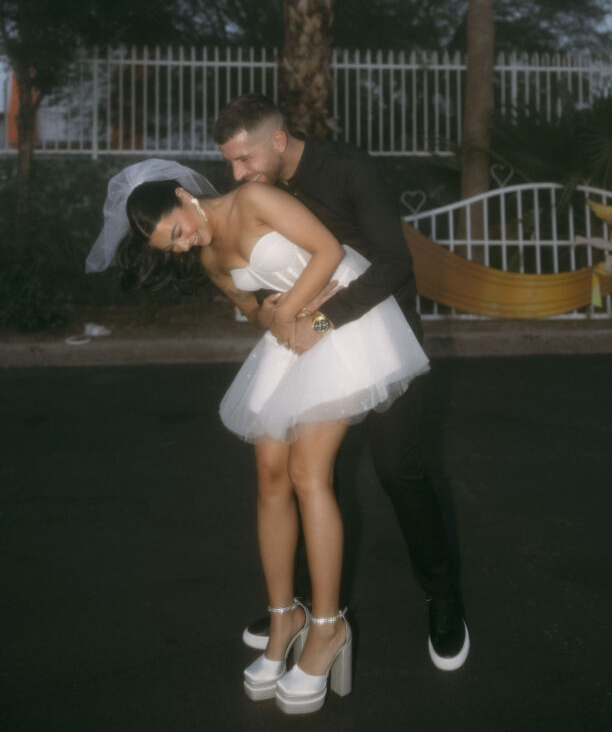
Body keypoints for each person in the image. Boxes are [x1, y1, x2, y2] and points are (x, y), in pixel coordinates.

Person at [86, 157, 429, 715]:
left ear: (183, 195)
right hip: (294, 333)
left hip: (340, 319)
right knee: (270, 476)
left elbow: (330, 252)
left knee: (307, 473)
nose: (182, 245)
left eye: (177, 230)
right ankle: (282, 619)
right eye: (169, 247)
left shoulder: (253, 199)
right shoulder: (208, 256)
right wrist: (269, 317)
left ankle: (326, 628)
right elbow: (249, 307)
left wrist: (294, 314)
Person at [213, 94, 470, 672]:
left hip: (380, 336)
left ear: (277, 141)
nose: (237, 174)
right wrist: (266, 305)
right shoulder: (262, 187)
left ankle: (443, 594)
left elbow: (393, 264)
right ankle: (298, 606)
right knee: (302, 474)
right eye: (230, 164)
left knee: (396, 469)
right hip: (307, 343)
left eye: (244, 159)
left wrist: (324, 319)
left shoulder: (348, 168)